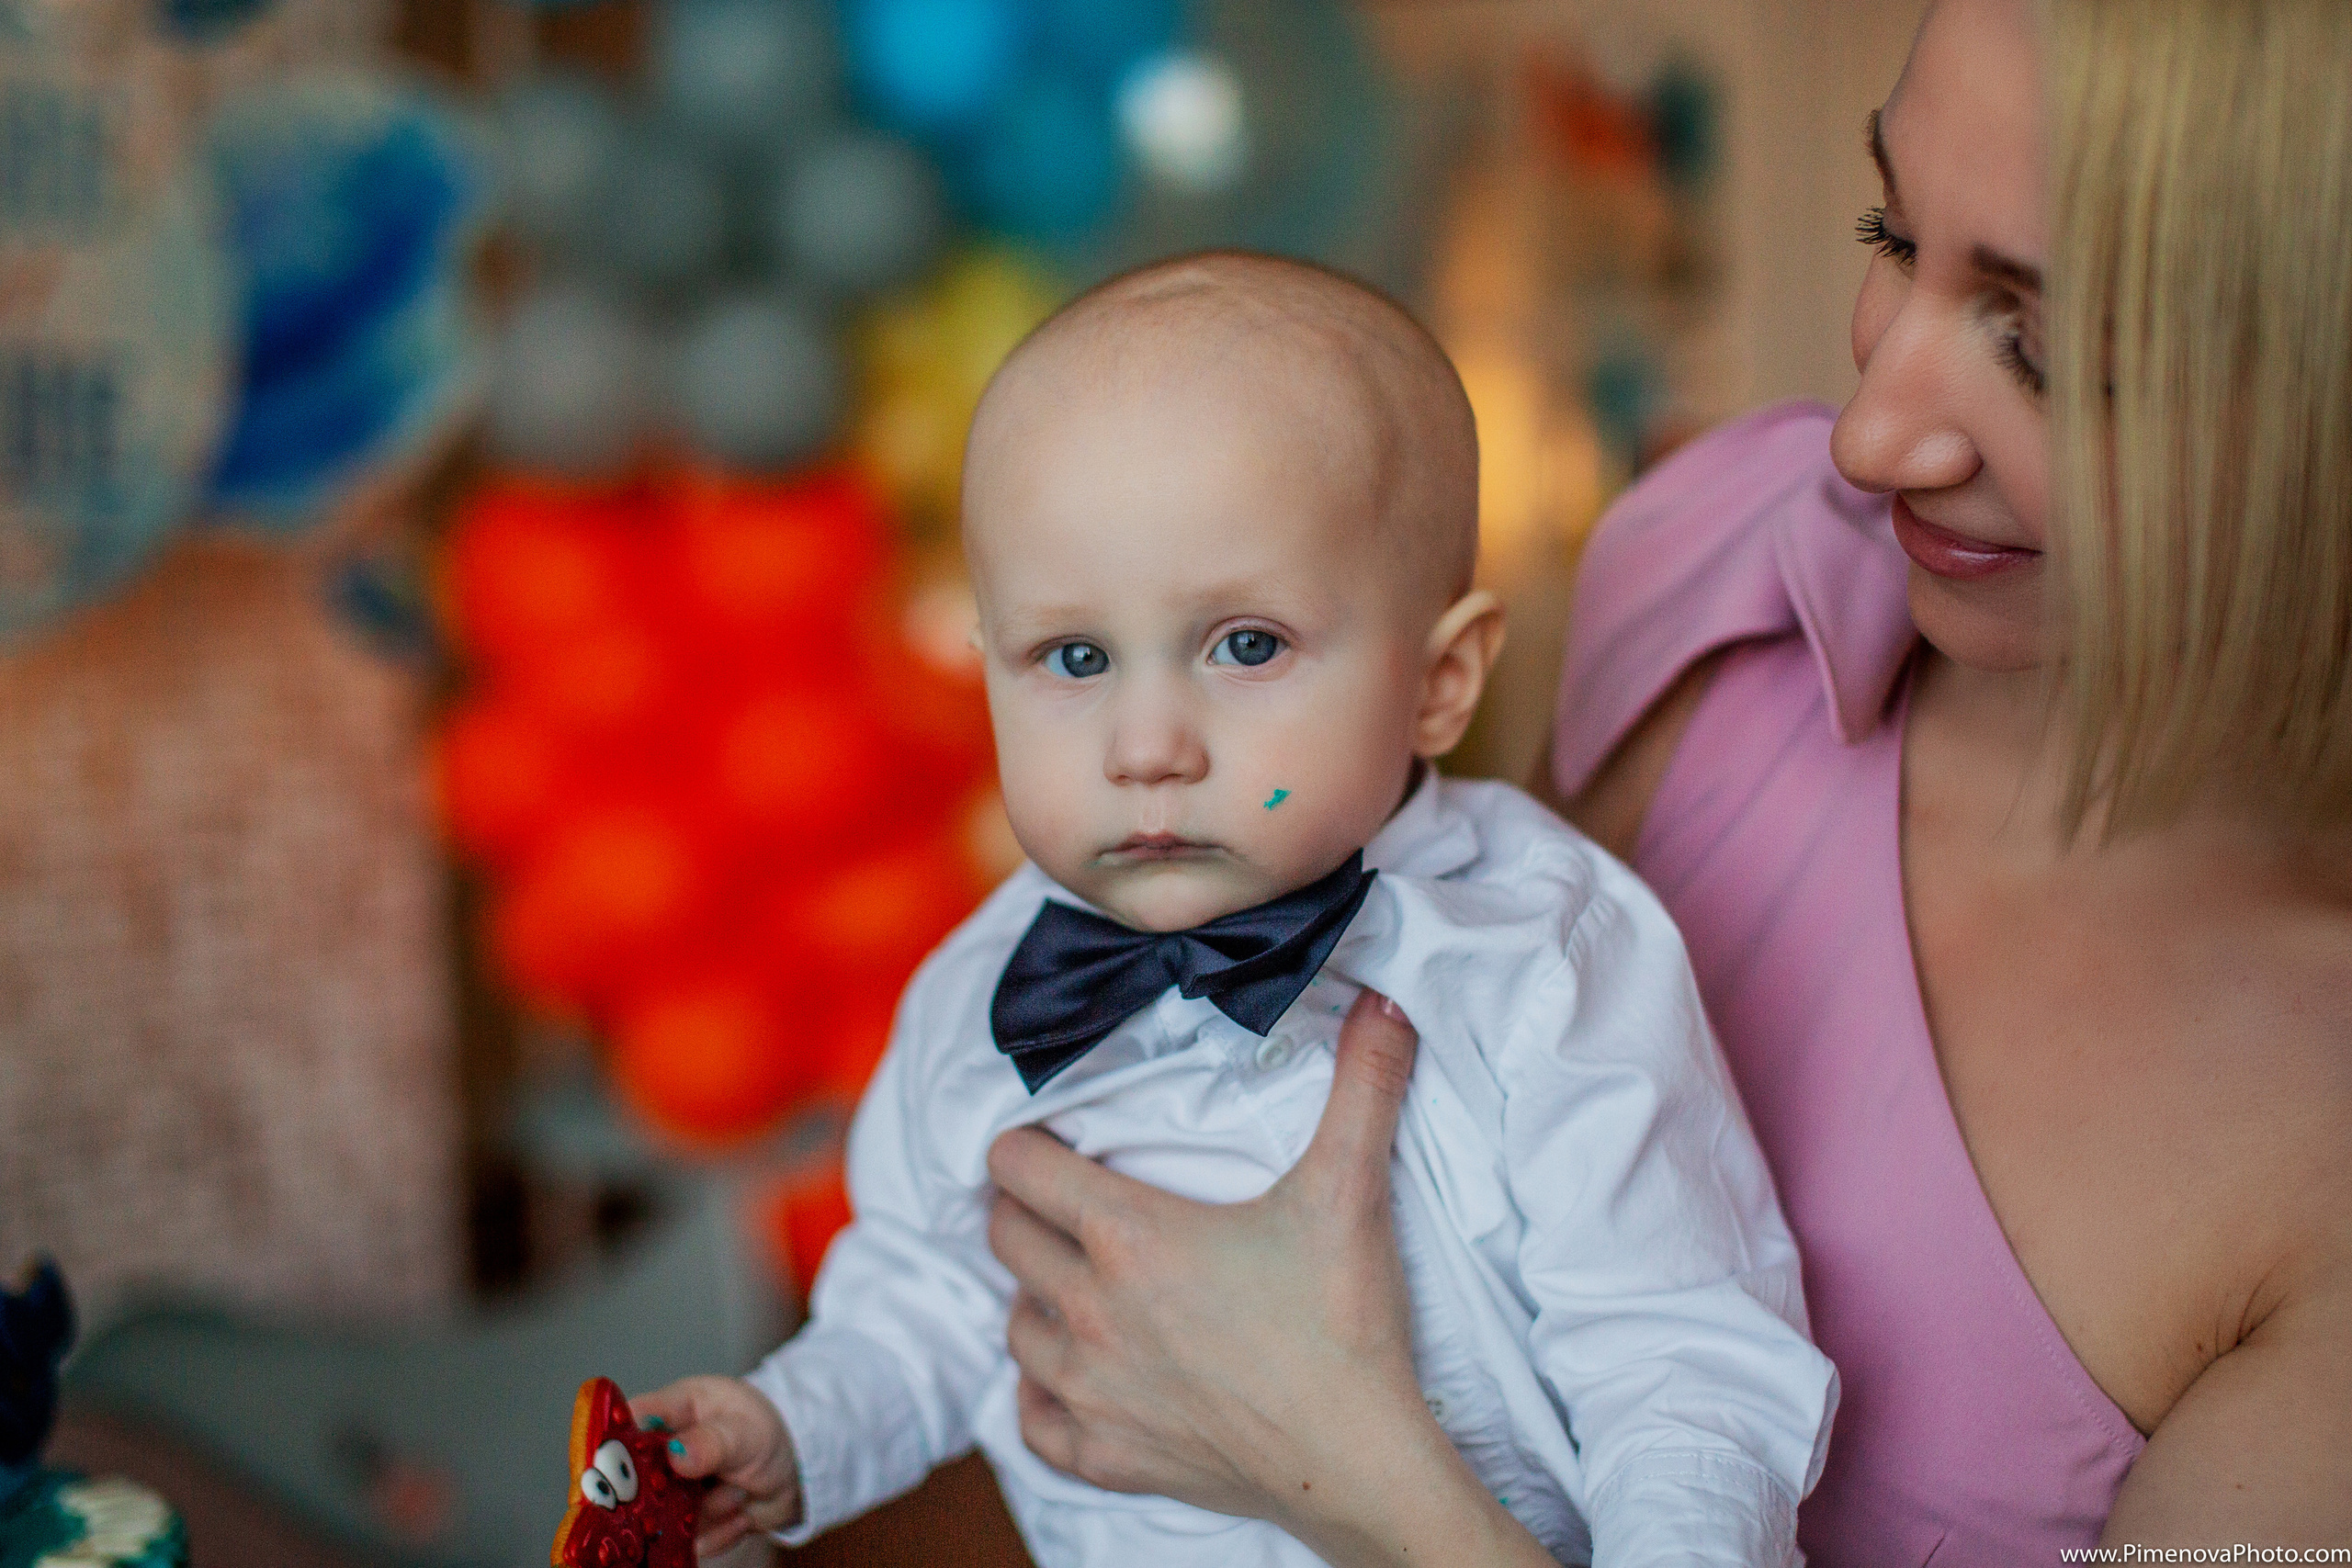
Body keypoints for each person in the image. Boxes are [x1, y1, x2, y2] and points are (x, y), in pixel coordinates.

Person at [978, 0, 2352, 1562]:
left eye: (2046, 354)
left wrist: (1348, 1474)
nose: (1871, 437)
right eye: (1889, 234)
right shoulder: (1733, 553)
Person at [631, 253, 1841, 1567]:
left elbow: (1680, 1368)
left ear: (1440, 681)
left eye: (1245, 645)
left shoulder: (1540, 960)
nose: (1146, 743)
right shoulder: (981, 996)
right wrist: (792, 1423)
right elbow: (923, 1306)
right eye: (1075, 658)